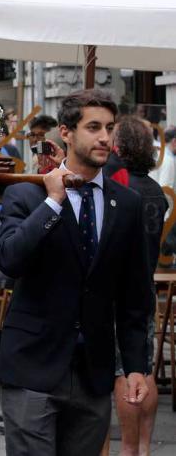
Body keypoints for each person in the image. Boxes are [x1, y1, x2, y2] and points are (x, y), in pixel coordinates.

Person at [0, 90, 152, 456]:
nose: (104, 137)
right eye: (93, 127)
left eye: (110, 128)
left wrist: (135, 367)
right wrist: (53, 203)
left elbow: (134, 296)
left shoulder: (126, 203)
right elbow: (9, 262)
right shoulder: (27, 195)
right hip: (32, 367)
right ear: (65, 132)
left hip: (92, 374)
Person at [102, 116, 168, 456]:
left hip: (117, 294)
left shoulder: (118, 183)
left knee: (123, 373)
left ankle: (128, 448)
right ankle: (142, 447)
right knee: (144, 368)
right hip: (146, 288)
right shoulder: (155, 190)